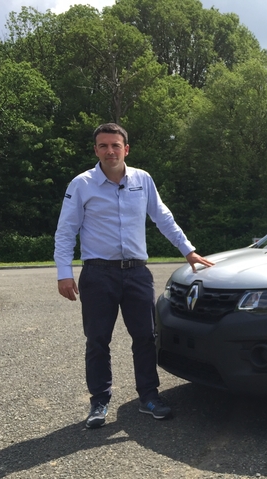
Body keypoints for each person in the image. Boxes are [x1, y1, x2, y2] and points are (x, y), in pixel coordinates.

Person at [54, 123, 214, 429]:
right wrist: (64, 272)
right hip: (98, 274)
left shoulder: (143, 180)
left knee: (145, 336)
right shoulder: (82, 184)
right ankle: (99, 400)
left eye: (116, 145)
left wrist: (188, 250)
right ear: (95, 150)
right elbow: (66, 231)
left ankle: (149, 396)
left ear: (126, 149)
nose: (110, 151)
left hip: (137, 273)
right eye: (103, 146)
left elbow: (162, 216)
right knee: (98, 340)